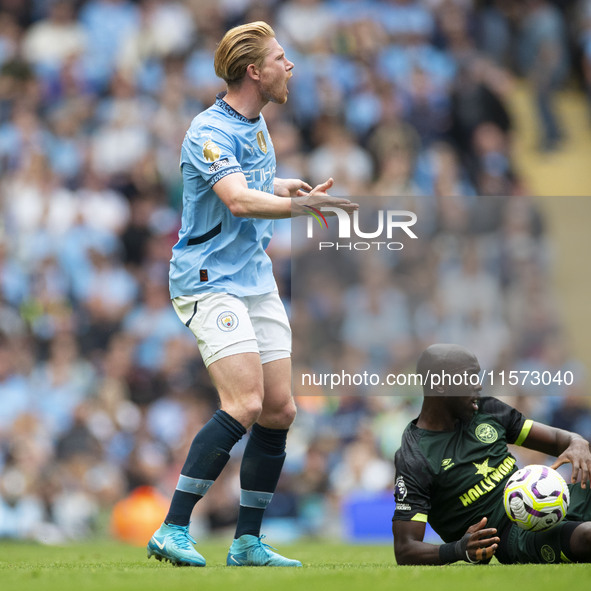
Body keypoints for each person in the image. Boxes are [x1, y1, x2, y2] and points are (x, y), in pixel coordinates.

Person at [147, 21, 357, 568]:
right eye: (282, 58)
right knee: (243, 404)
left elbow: (257, 182)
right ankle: (172, 528)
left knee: (280, 409)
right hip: (209, 281)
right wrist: (300, 209)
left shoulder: (258, 120)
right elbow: (238, 200)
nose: (291, 66)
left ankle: (246, 543)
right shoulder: (206, 131)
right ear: (253, 71)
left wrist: (291, 187)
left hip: (254, 277)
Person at [392, 343, 591, 565]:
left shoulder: (487, 410)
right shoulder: (414, 457)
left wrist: (577, 442)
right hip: (515, 535)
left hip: (553, 497)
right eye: (469, 378)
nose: (478, 386)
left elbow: (557, 440)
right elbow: (405, 548)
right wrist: (458, 550)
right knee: (586, 536)